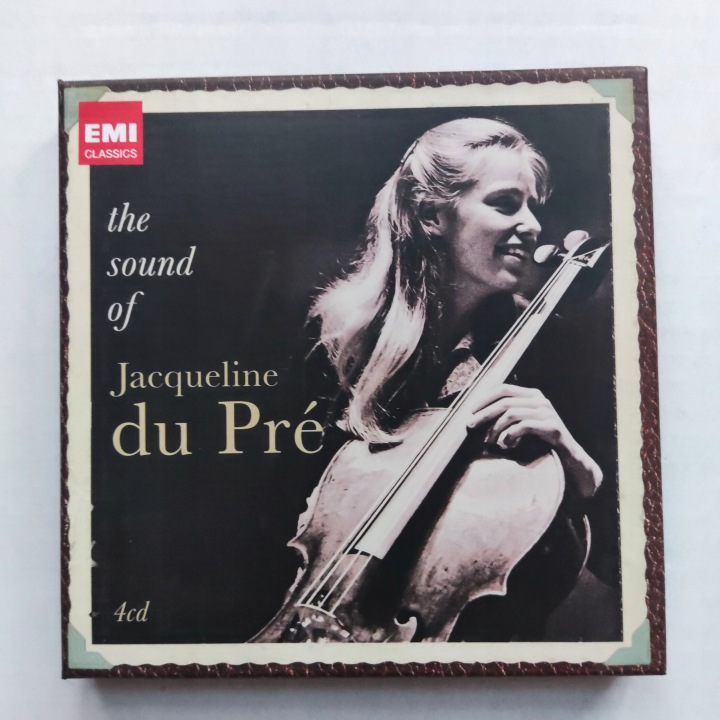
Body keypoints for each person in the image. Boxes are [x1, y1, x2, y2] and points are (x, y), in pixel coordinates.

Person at [272, 117, 616, 643]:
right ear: (433, 215)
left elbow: (627, 573)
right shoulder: (332, 339)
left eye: (532, 207)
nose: (532, 225)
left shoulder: (546, 355)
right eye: (505, 203)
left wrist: (580, 470)